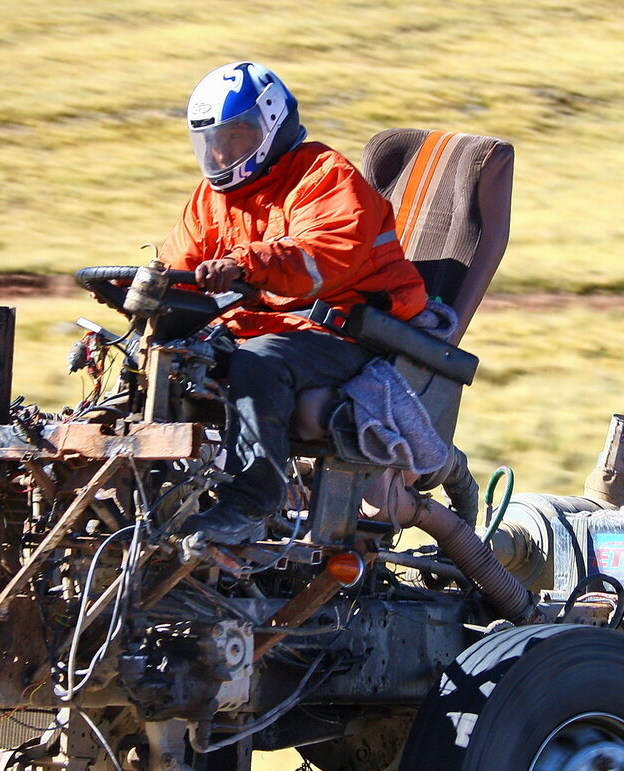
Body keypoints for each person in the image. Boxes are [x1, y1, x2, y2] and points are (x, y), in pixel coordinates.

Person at [165, 61, 431, 545]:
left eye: (238, 136)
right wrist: (150, 302)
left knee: (258, 363)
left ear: (272, 123)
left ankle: (252, 502)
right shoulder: (210, 199)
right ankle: (153, 498)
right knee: (169, 359)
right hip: (270, 327)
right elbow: (179, 271)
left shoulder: (324, 175)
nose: (223, 151)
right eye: (214, 141)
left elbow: (323, 258)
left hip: (344, 328)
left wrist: (246, 262)